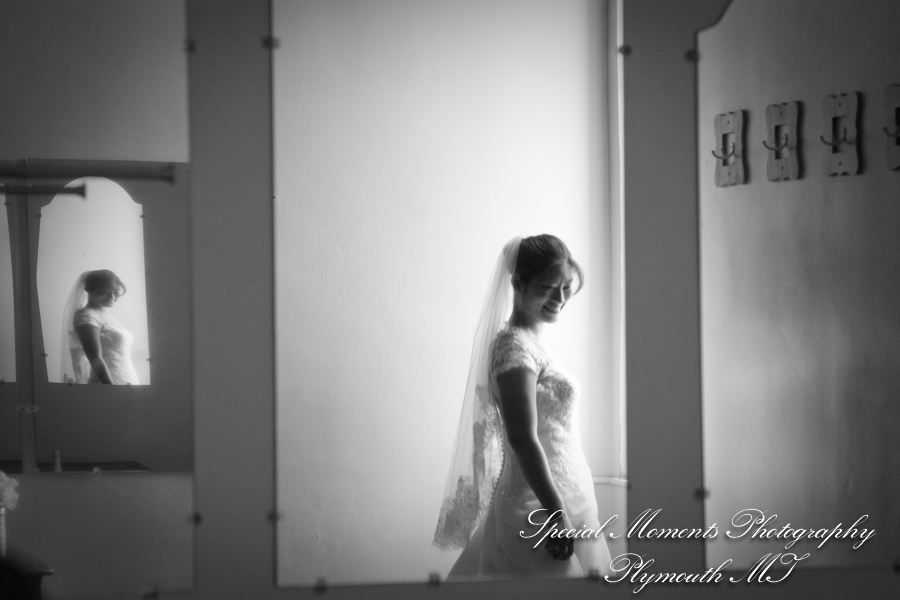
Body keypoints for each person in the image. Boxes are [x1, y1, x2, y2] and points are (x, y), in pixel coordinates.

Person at [434, 235, 611, 579]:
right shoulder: (514, 349)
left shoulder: (534, 344)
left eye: (566, 288)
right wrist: (555, 514)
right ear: (518, 283)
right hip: (539, 508)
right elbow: (522, 437)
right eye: (549, 288)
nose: (560, 299)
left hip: (569, 494)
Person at [60, 270, 140, 385]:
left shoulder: (107, 317)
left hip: (127, 379)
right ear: (89, 290)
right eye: (105, 292)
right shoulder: (86, 316)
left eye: (116, 292)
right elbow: (95, 359)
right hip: (108, 383)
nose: (112, 296)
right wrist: (112, 389)